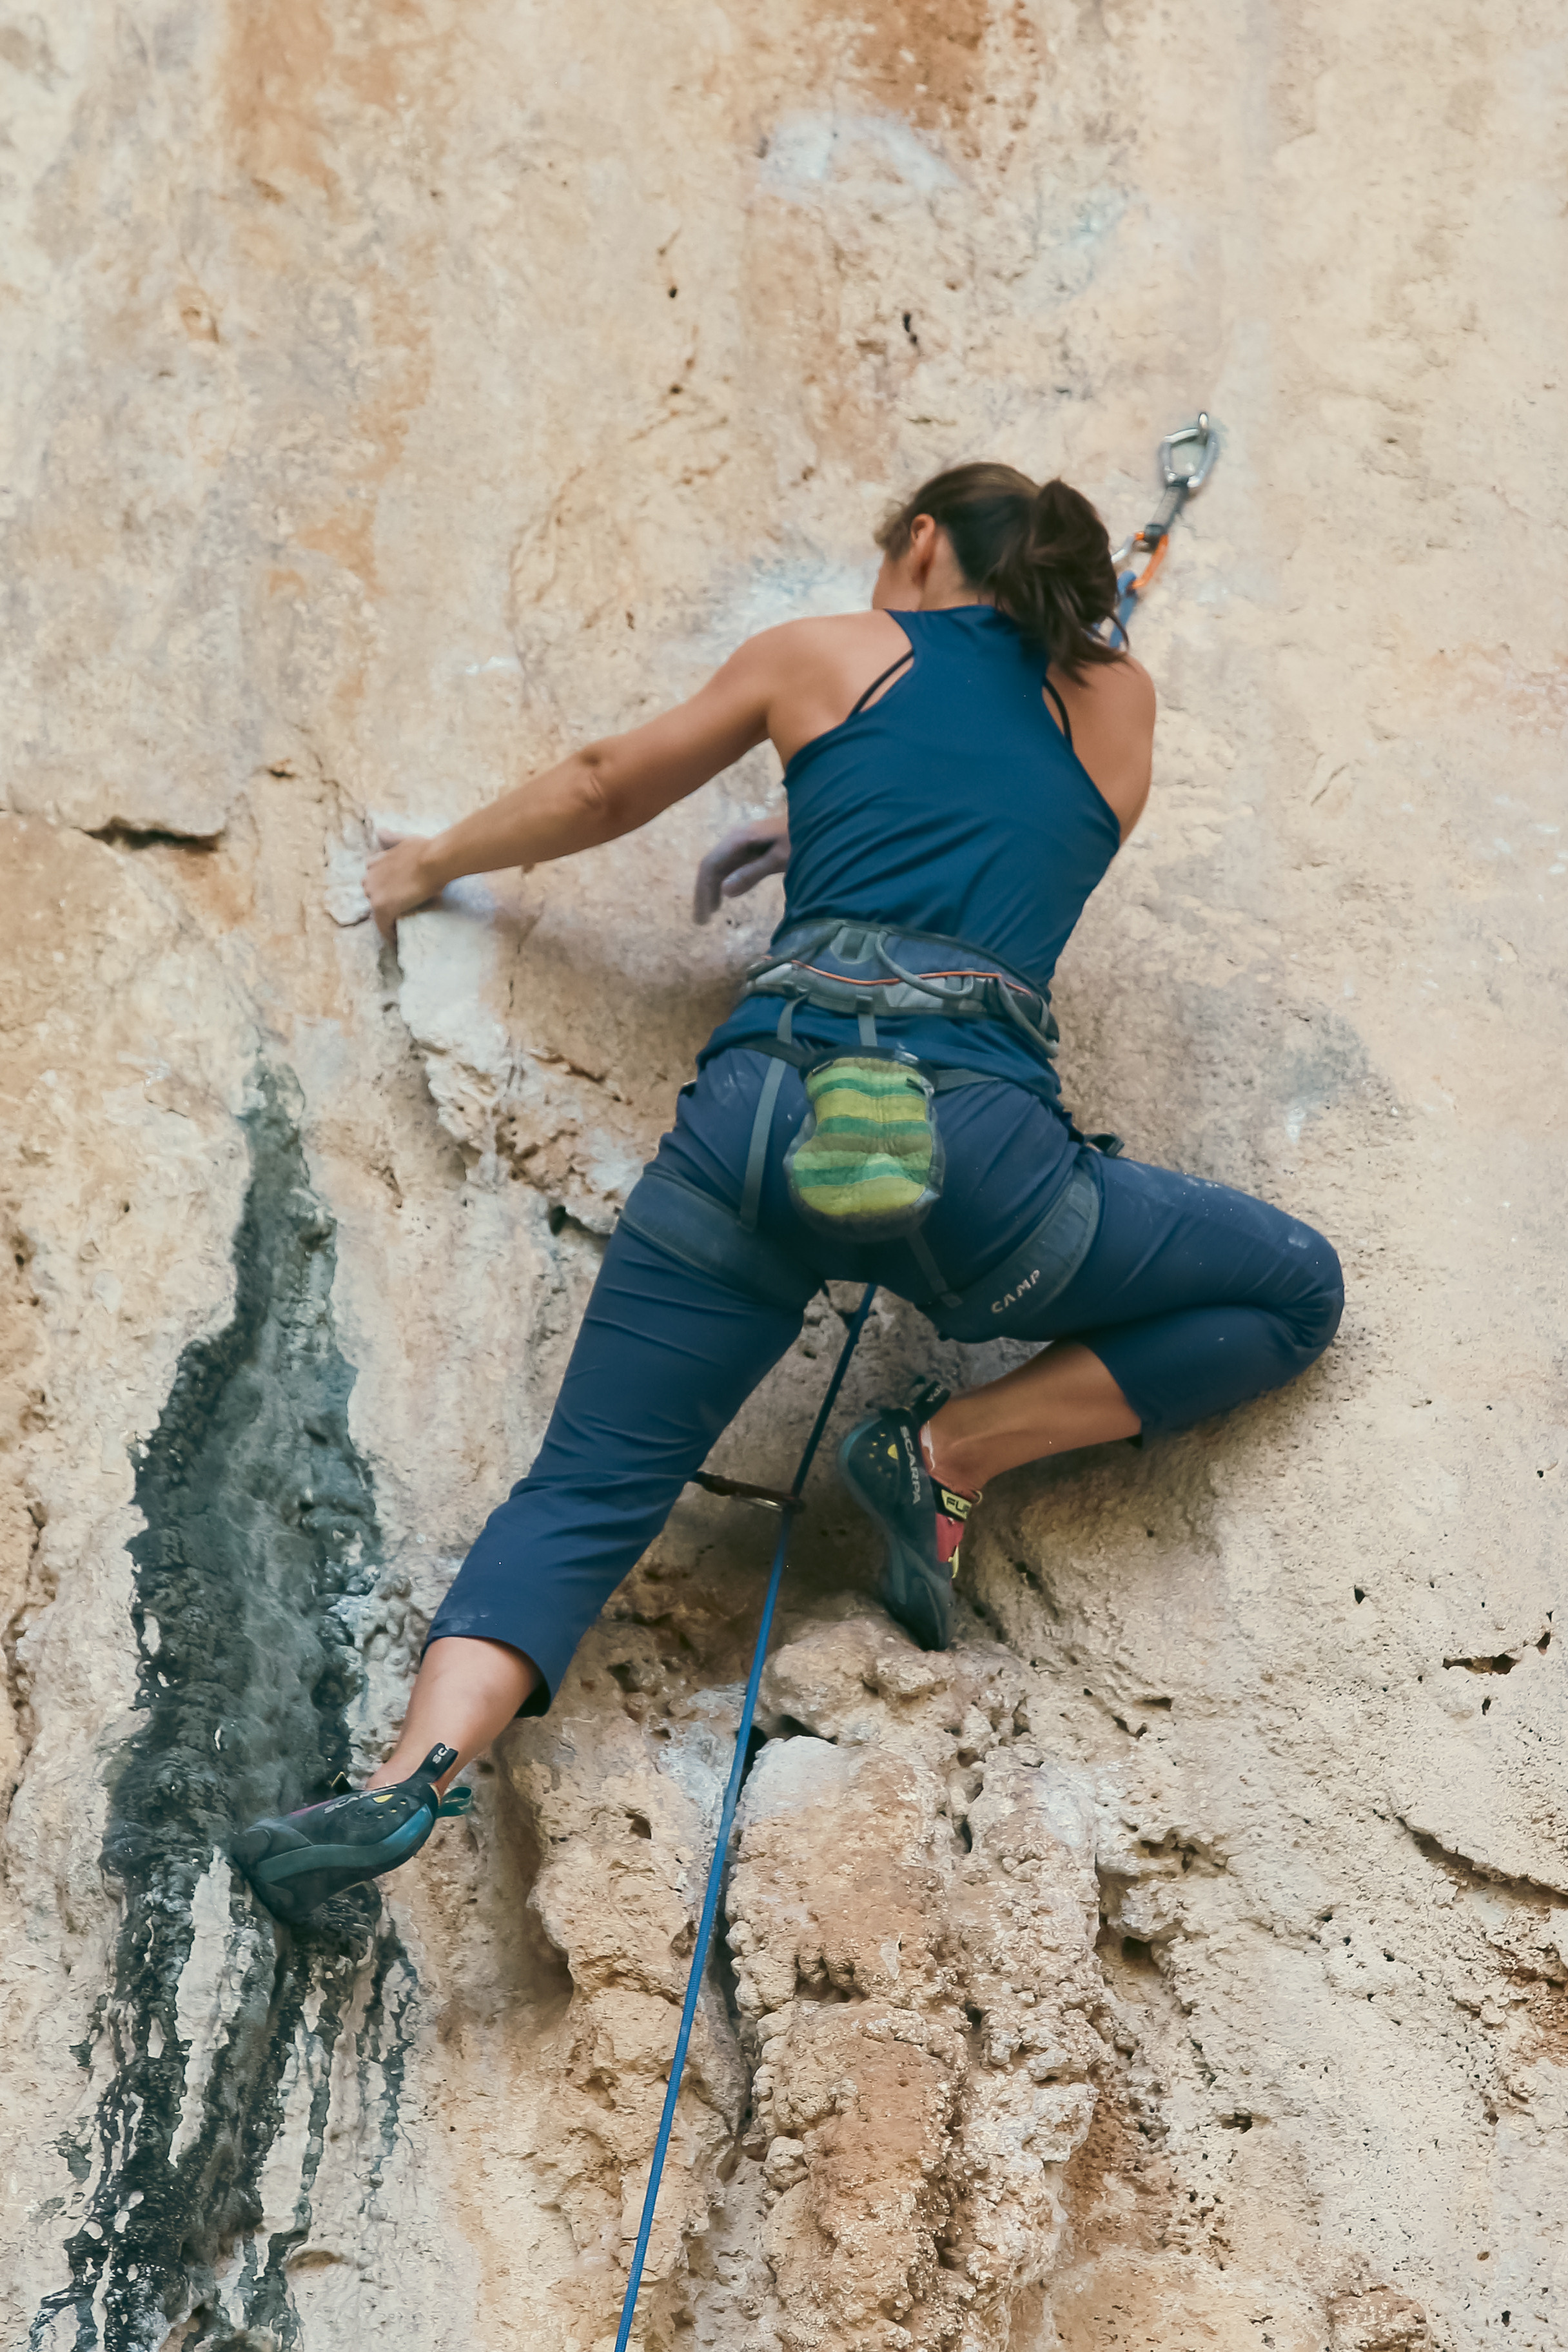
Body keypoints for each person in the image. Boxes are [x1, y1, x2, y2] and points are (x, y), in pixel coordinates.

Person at [235, 465, 1343, 1923]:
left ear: (922, 541)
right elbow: (996, 829)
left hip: (765, 1129)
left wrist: (424, 865)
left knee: (584, 1488)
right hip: (980, 1172)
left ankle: (409, 1777)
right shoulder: (1121, 706)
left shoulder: (823, 654)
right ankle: (951, 1448)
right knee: (1292, 1286)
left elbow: (597, 784)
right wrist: (828, 826)